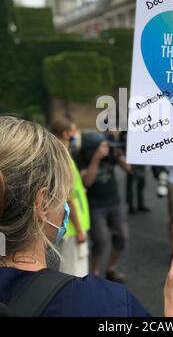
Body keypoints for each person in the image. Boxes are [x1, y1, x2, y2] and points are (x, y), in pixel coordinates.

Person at [0, 116, 173, 317]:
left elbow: (129, 170)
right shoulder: (105, 304)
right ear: (43, 203)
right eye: (62, 194)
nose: (65, 203)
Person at [78, 132, 130, 283]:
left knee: (122, 237)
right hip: (95, 205)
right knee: (100, 240)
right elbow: (87, 181)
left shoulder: (110, 155)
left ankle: (111, 269)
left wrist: (119, 156)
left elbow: (128, 168)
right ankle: (94, 273)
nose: (105, 148)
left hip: (114, 202)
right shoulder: (82, 158)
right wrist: (96, 158)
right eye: (101, 146)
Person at [51, 118, 90, 277]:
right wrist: (80, 230)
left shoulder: (56, 155)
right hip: (73, 227)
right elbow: (68, 198)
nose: (74, 138)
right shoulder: (63, 158)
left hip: (70, 225)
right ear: (65, 134)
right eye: (72, 134)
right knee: (74, 273)